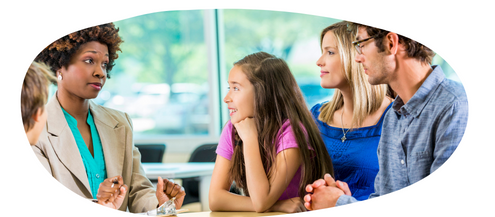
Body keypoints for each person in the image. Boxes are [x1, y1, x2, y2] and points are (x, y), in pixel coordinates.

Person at [304, 21, 468, 210]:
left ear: (391, 43)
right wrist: (346, 202)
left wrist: (338, 203)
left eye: (361, 45)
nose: (357, 58)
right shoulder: (394, 117)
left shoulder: (455, 108)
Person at [32, 23, 185, 213]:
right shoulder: (35, 129)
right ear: (59, 66)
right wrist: (97, 205)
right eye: (89, 60)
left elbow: (137, 191)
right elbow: (43, 205)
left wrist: (161, 204)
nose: (101, 73)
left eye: (104, 64)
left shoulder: (120, 123)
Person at [208, 51, 334, 213]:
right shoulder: (233, 129)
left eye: (236, 88)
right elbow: (215, 199)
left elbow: (261, 202)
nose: (227, 98)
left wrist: (250, 139)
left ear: (262, 93)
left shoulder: (292, 132)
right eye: (229, 87)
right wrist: (278, 205)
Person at [311, 21, 393, 201]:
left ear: (356, 56)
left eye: (330, 52)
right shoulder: (316, 116)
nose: (319, 61)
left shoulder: (397, 117)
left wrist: (344, 203)